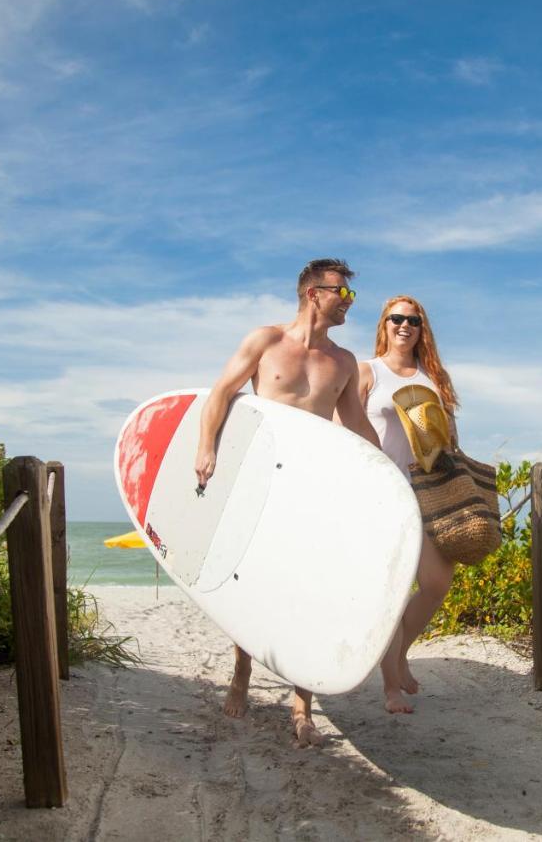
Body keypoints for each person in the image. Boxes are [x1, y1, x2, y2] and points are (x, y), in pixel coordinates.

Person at [194, 258, 381, 747]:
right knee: (251, 585)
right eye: (344, 293)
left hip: (312, 486)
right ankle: (242, 673)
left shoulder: (342, 362)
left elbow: (357, 424)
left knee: (306, 589)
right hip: (259, 480)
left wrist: (385, 475)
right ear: (313, 293)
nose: (349, 303)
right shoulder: (266, 342)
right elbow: (221, 393)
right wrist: (206, 448)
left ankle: (302, 706)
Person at [358, 295, 461, 714]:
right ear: (384, 325)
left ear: (422, 328)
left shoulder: (434, 378)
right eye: (396, 318)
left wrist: (448, 459)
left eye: (413, 320)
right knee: (393, 590)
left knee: (437, 582)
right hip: (379, 494)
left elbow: (449, 438)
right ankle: (390, 688)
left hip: (426, 492)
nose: (405, 325)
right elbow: (341, 426)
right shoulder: (368, 372)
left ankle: (400, 656)